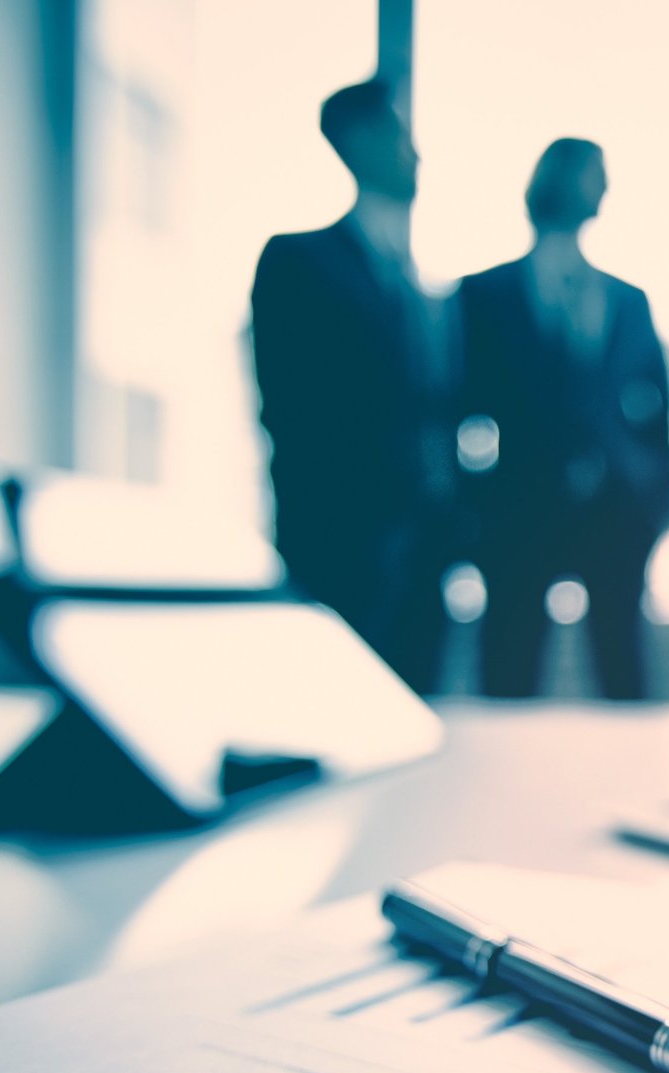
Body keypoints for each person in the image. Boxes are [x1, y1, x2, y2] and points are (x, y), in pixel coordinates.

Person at [249, 78, 454, 694]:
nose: (416, 153)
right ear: (359, 140)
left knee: (416, 709)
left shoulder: (414, 277)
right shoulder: (297, 261)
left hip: (424, 540)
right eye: (400, 134)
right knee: (335, 706)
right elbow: (287, 405)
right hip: (340, 538)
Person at [457, 138, 669, 699]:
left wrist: (657, 496)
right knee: (510, 670)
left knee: (622, 672)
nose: (602, 187)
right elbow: (462, 407)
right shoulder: (485, 294)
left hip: (614, 512)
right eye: (593, 174)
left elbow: (657, 410)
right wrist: (475, 503)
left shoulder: (628, 299)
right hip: (519, 513)